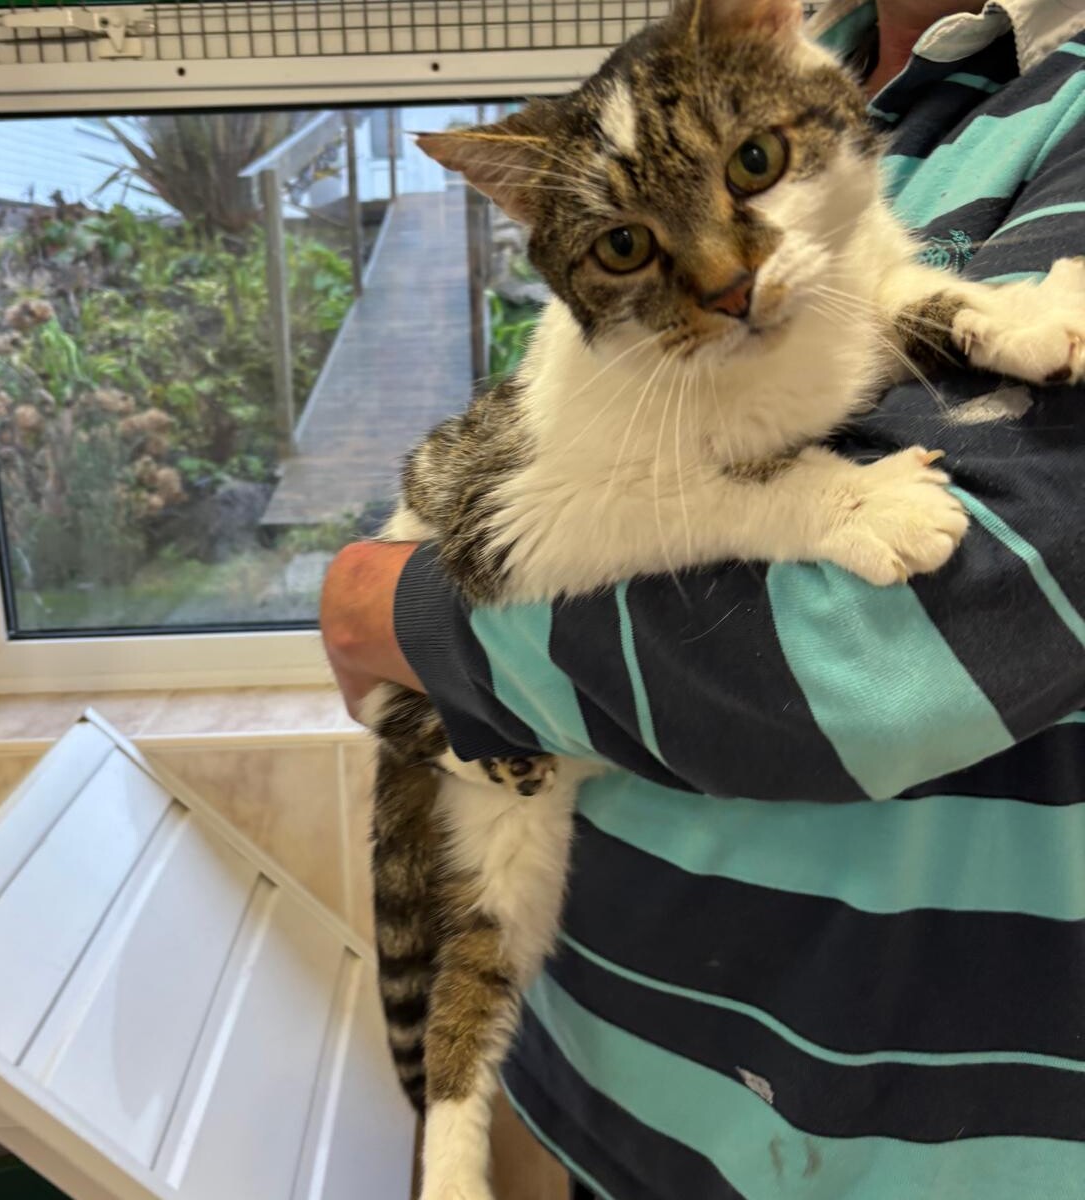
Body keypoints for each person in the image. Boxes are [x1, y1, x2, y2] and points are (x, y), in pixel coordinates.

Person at [321, 0, 1085, 1195]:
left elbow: (904, 660)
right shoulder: (829, 63)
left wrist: (394, 617)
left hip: (899, 1146)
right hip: (622, 1109)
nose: (724, 278)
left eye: (753, 171)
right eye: (630, 247)